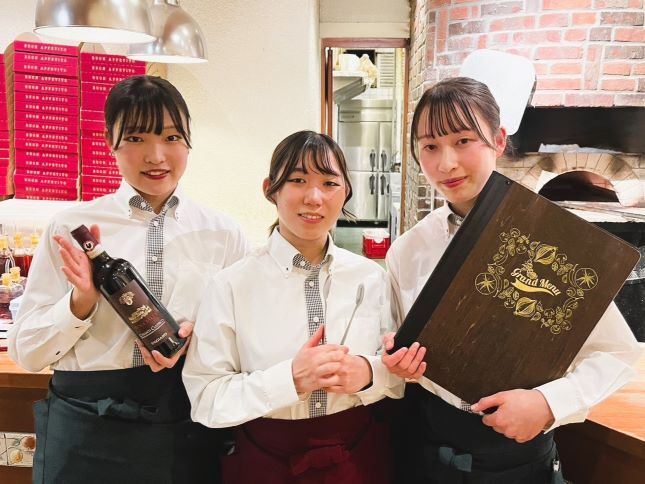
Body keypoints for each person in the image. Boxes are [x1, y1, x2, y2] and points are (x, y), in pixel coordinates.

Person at [382, 77, 642, 483]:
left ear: (499, 140)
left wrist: (547, 403)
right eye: (430, 146)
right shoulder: (407, 249)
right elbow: (396, 351)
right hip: (429, 448)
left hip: (521, 456)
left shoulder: (553, 236)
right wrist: (397, 364)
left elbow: (617, 354)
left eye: (463, 141)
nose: (446, 163)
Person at [8, 75, 249, 484]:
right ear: (110, 141)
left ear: (189, 141)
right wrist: (80, 304)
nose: (156, 156)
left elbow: (242, 344)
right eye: (136, 138)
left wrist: (199, 341)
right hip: (85, 425)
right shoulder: (72, 228)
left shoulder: (223, 233)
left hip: (183, 425)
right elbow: (27, 352)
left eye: (172, 137)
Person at [183, 130, 404, 483]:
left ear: (346, 191)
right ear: (270, 189)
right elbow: (207, 398)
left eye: (329, 183)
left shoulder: (371, 277)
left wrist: (367, 372)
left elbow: (399, 374)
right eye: (298, 180)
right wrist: (290, 380)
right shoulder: (231, 285)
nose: (314, 198)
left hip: (358, 457)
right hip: (265, 462)